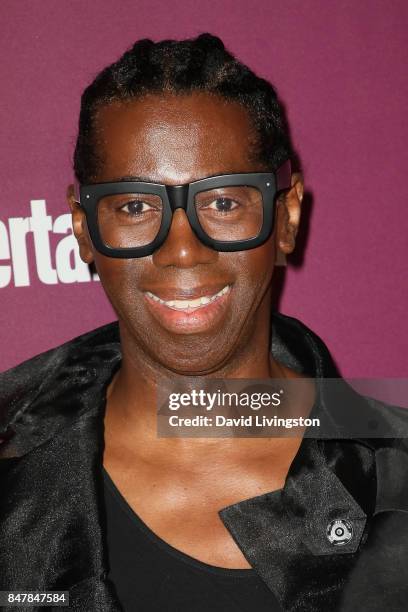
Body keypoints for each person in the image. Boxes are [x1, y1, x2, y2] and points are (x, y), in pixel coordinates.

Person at [0, 33, 407, 612]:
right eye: (136, 206)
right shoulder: (11, 472)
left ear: (285, 217)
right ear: (85, 229)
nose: (183, 251)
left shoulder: (398, 468)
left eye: (222, 202)